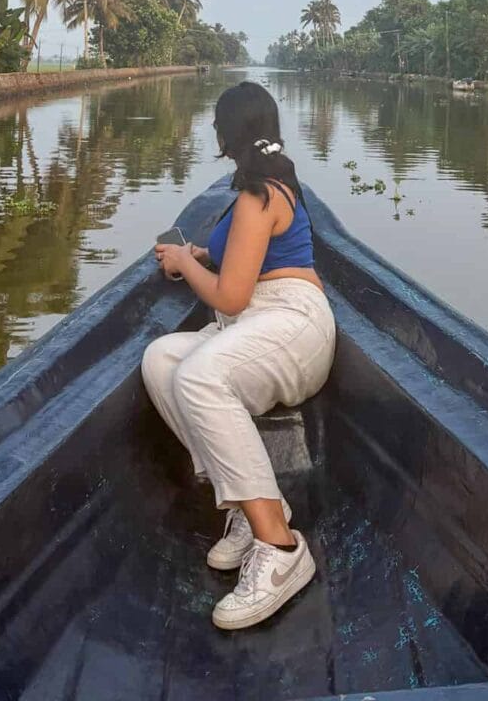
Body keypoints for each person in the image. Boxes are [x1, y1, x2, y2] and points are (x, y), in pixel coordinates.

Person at [142, 80, 336, 631]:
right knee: (162, 361)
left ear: (230, 133)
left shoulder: (260, 194)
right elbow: (239, 266)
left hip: (293, 323)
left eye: (217, 125)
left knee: (200, 376)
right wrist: (200, 254)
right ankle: (251, 511)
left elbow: (230, 296)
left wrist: (183, 258)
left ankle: (281, 548)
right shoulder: (257, 189)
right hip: (258, 322)